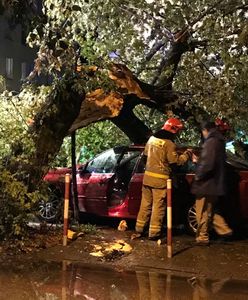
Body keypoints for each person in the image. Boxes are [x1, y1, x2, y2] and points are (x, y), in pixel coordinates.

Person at [135, 118, 193, 240]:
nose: (178, 133)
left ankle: (139, 229)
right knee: (158, 206)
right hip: (160, 181)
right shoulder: (169, 144)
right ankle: (154, 233)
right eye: (178, 131)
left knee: (145, 204)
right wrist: (186, 155)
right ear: (174, 129)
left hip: (147, 179)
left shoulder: (151, 139)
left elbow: (145, 157)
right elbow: (175, 163)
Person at [191, 121, 233, 245]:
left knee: (202, 212)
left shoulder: (211, 142)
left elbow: (207, 164)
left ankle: (202, 237)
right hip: (214, 183)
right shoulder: (219, 141)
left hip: (205, 183)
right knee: (209, 210)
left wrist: (198, 174)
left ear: (205, 130)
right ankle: (224, 229)